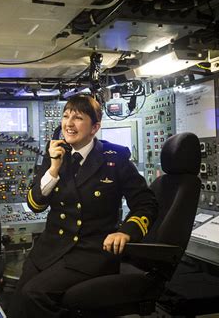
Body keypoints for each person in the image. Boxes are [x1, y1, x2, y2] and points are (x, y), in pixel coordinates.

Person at [8, 94, 158, 318]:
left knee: (34, 295)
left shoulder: (115, 158)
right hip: (50, 249)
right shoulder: (55, 156)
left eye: (77, 118)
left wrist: (126, 232)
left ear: (94, 127)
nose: (69, 123)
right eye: (66, 116)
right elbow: (35, 205)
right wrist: (53, 170)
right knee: (17, 303)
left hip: (90, 252)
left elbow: (146, 203)